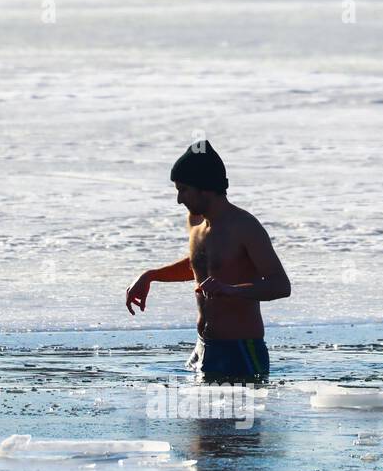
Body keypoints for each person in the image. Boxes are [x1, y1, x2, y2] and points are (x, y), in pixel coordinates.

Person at [125, 141, 291, 382]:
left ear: (205, 188)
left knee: (237, 419)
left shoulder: (245, 227)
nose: (179, 200)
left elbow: (280, 285)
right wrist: (151, 275)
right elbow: (198, 264)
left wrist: (230, 290)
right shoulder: (196, 223)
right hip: (203, 348)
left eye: (183, 190)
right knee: (197, 419)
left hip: (241, 352)